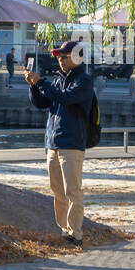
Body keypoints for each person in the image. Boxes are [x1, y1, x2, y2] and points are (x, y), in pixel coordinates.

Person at [26, 39, 94, 247]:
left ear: (76, 57)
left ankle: (76, 234)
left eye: (64, 57)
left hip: (72, 144)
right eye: (59, 57)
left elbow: (66, 98)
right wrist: (34, 87)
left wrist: (41, 83)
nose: (60, 60)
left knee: (73, 190)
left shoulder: (84, 81)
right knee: (57, 191)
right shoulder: (56, 80)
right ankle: (65, 230)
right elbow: (42, 103)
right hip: (53, 142)